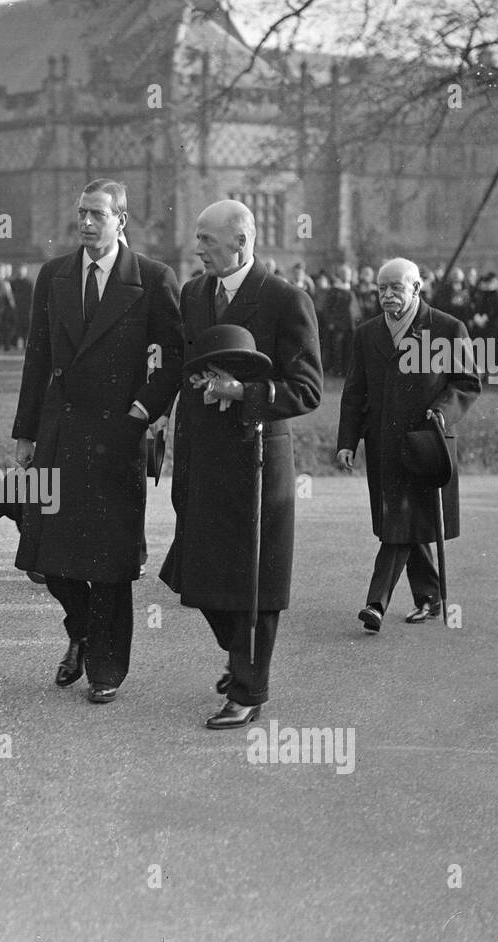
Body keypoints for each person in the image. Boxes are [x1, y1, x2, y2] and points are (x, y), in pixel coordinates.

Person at [13, 178, 183, 705]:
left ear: (121, 221)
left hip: (117, 436)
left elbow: (174, 355)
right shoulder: (54, 275)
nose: (86, 224)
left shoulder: (153, 279)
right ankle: (82, 631)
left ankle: (107, 666)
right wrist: (24, 431)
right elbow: (37, 356)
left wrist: (142, 409)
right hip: (59, 432)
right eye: (81, 213)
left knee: (109, 561)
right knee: (47, 554)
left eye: (97, 215)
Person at [160, 199, 322, 729]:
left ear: (242, 242)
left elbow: (307, 388)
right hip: (203, 455)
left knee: (255, 579)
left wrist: (245, 391)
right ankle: (242, 658)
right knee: (200, 572)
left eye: (207, 239)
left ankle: (249, 689)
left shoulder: (284, 300)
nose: (197, 248)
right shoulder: (193, 293)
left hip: (257, 462)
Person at [336, 257, 480, 631]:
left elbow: (466, 382)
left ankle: (376, 604)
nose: (387, 295)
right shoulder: (367, 334)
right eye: (381, 288)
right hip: (383, 443)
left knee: (400, 521)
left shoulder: (448, 329)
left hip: (426, 442)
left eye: (395, 287)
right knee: (407, 518)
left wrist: (440, 413)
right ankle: (430, 597)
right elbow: (354, 393)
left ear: (416, 288)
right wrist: (347, 442)